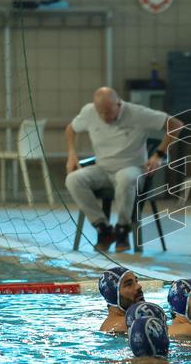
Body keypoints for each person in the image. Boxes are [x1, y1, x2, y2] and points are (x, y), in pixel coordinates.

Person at [65, 86, 183, 252]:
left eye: (108, 112)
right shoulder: (89, 112)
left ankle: (122, 229)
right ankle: (103, 228)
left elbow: (176, 125)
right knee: (73, 179)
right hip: (102, 169)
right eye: (100, 113)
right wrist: (71, 154)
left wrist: (159, 155)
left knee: (125, 178)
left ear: (119, 104)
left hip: (133, 169)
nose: (104, 117)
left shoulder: (138, 113)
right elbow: (70, 129)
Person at [98, 266, 144, 333]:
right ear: (113, 295)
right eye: (129, 284)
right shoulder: (127, 326)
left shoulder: (108, 326)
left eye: (136, 281)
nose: (139, 286)